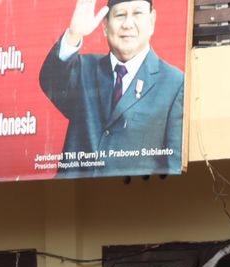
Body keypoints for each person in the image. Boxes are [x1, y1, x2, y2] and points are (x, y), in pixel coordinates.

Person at [39, 0, 185, 178]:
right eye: (120, 15)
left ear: (152, 19)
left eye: (137, 13)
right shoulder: (84, 70)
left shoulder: (174, 83)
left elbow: (173, 167)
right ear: (105, 26)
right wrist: (73, 35)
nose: (128, 24)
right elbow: (50, 82)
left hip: (132, 193)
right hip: (74, 193)